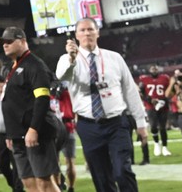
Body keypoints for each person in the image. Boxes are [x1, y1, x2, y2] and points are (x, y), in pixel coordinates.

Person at [55, 17, 148, 192]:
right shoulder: (66, 60)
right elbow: (61, 76)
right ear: (76, 35)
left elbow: (130, 91)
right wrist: (71, 59)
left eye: (90, 29)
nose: (86, 33)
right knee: (101, 178)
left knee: (122, 171)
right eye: (82, 30)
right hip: (88, 125)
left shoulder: (114, 58)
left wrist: (141, 123)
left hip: (117, 123)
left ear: (97, 32)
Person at [0, 27, 60, 192]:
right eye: (4, 42)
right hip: (18, 136)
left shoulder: (34, 64)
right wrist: (11, 134)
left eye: (10, 41)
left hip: (35, 133)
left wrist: (34, 129)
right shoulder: (15, 67)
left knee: (45, 183)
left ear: (23, 41)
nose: (5, 44)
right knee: (28, 183)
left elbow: (42, 99)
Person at [138, 64, 172, 157]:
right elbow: (140, 93)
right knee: (153, 127)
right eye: (152, 69)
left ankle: (165, 147)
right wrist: (149, 100)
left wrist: (165, 100)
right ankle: (157, 144)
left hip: (163, 106)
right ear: (149, 70)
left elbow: (170, 91)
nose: (154, 70)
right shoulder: (144, 79)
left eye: (156, 68)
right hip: (151, 106)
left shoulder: (165, 78)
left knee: (163, 128)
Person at [49, 81, 76, 192]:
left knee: (62, 162)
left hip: (64, 127)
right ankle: (67, 187)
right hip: (61, 128)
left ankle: (66, 187)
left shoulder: (67, 94)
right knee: (62, 162)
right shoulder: (67, 94)